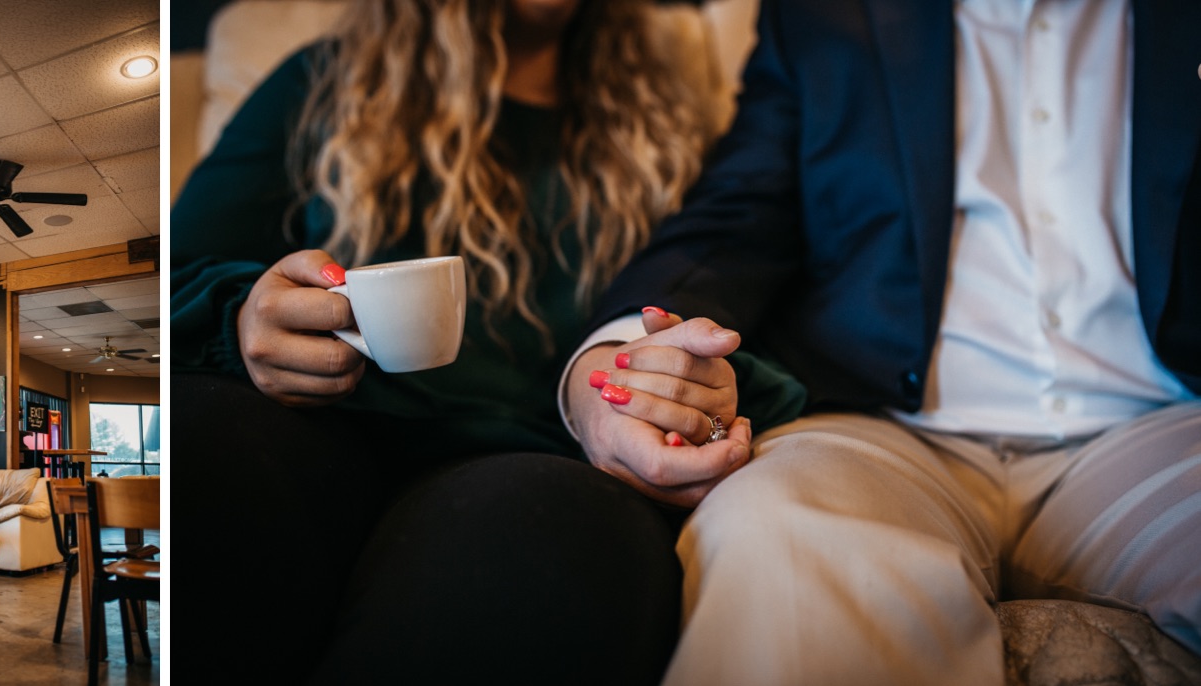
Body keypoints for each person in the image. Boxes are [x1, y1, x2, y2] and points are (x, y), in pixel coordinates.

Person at [563, 1, 1201, 683]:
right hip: (884, 429)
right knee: (773, 536)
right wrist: (614, 364)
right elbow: (737, 213)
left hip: (1158, 427)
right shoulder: (822, 14)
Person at [174, 0, 805, 682]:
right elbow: (180, 266)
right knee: (198, 439)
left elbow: (714, 286)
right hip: (329, 418)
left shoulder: (659, 115)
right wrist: (246, 316)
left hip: (542, 457)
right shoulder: (324, 80)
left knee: (554, 542)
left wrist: (669, 377)